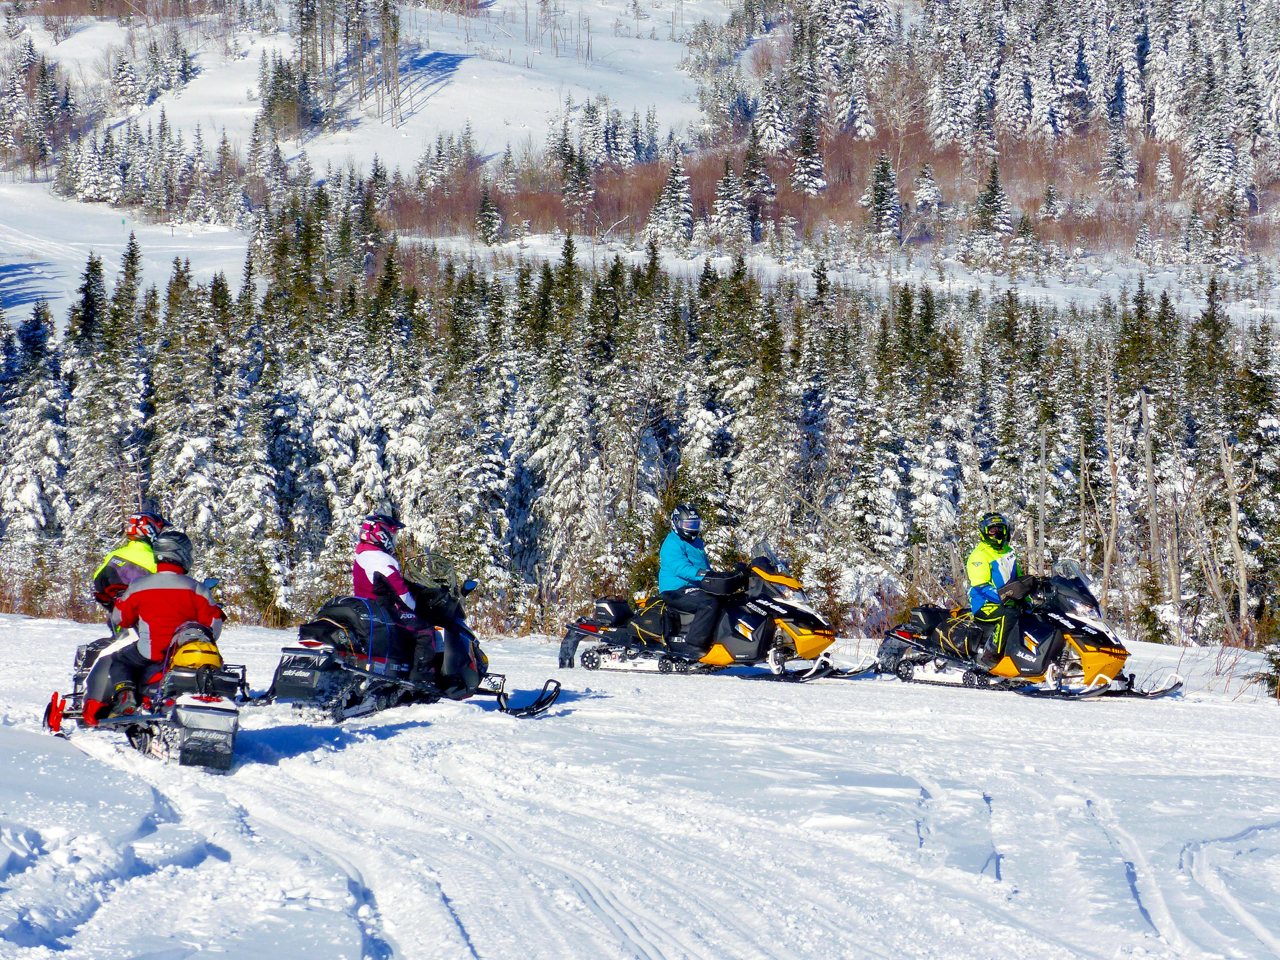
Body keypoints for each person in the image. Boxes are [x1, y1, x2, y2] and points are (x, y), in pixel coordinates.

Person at [82, 530, 224, 726]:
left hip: (151, 651)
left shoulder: (140, 585)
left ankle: (126, 697)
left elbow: (120, 618)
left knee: (120, 660)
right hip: (185, 652)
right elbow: (214, 624)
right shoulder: (197, 588)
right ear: (181, 554)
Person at [658, 504, 719, 653]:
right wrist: (704, 574)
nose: (692, 528)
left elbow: (703, 566)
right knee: (709, 603)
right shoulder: (672, 543)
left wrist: (718, 578)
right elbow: (681, 568)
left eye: (695, 524)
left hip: (694, 587)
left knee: (724, 598)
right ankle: (694, 645)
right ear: (677, 523)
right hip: (675, 590)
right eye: (688, 524)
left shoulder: (697, 542)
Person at [966, 512, 1021, 666]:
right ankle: (991, 655)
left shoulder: (1008, 552)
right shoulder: (979, 555)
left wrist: (1030, 597)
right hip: (985, 605)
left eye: (1000, 529)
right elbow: (981, 586)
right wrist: (1006, 597)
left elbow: (1019, 580)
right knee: (1008, 615)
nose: (997, 533)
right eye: (993, 530)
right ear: (984, 531)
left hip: (1009, 601)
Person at [92, 510, 168, 614]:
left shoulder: (113, 555)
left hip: (119, 618)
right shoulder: (156, 561)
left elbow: (98, 582)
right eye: (160, 532)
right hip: (149, 621)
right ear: (150, 531)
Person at [353, 514, 417, 611]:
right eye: (392, 535)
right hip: (383, 613)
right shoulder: (381, 560)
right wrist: (417, 608)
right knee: (426, 625)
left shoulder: (364, 553)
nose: (393, 539)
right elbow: (402, 596)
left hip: (368, 609)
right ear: (381, 535)